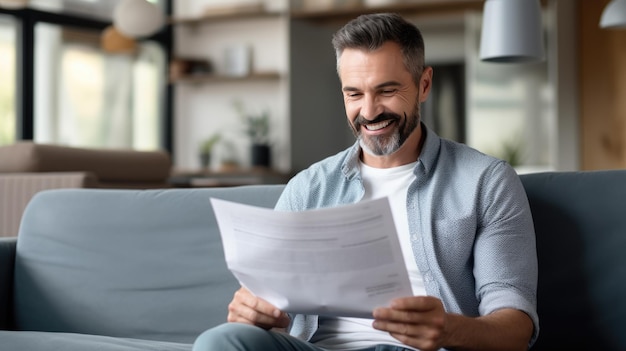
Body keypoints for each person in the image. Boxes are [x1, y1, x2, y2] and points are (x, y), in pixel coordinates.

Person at [193, 12, 538, 351]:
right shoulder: (308, 188)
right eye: (354, 94)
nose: (370, 112)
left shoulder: (486, 181)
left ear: (424, 85)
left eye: (387, 91)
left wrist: (449, 330)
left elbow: (516, 329)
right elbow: (269, 300)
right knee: (219, 341)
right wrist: (254, 312)